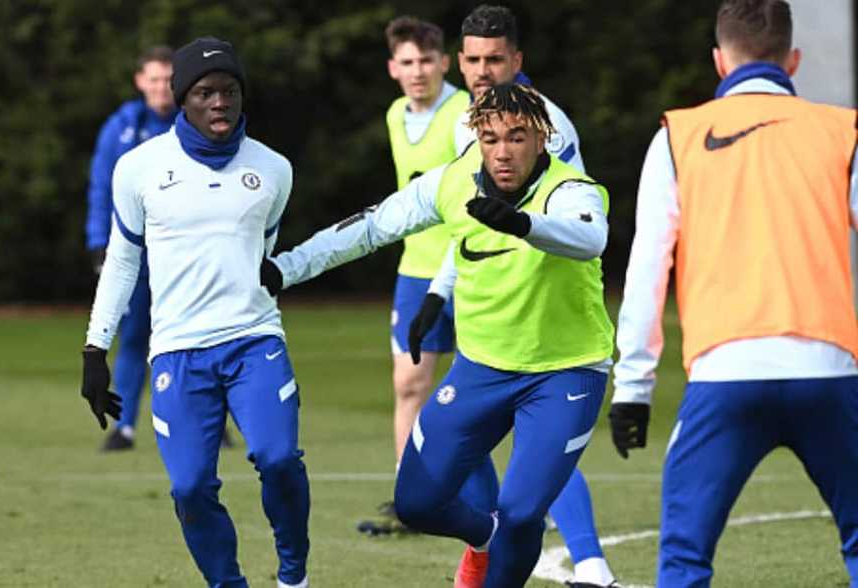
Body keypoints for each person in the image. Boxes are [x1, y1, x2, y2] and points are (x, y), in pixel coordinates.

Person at [262, 82, 614, 588]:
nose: (502, 151)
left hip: (565, 372)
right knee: (417, 504)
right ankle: (484, 537)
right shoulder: (451, 182)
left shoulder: (570, 188)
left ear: (542, 138)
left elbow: (589, 238)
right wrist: (287, 268)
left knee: (520, 514)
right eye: (489, 138)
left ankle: (508, 551)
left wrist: (523, 225)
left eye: (516, 137)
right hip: (481, 369)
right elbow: (370, 227)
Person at [610, 1, 858, 586]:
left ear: (720, 62)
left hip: (725, 373)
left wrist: (634, 386)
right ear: (792, 60)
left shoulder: (678, 136)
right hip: (827, 368)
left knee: (684, 556)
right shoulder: (841, 131)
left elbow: (648, 265)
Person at [81, 37, 310, 588]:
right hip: (179, 352)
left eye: (228, 91)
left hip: (255, 341)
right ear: (181, 99)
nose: (219, 103)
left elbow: (264, 254)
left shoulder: (273, 169)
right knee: (189, 488)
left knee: (278, 458)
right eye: (205, 92)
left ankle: (293, 576)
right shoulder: (137, 169)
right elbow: (121, 263)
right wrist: (95, 349)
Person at [414, 6, 617, 586]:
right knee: (463, 433)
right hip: (484, 298)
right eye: (474, 60)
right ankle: (486, 536)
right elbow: (475, 219)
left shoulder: (549, 125)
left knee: (538, 445)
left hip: (542, 311)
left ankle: (591, 563)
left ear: (517, 61)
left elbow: (567, 219)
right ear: (460, 61)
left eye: (495, 59)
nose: (483, 71)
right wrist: (439, 288)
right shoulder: (464, 121)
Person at [360, 14, 470, 536]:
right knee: (409, 384)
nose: (418, 70)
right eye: (407, 62)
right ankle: (412, 501)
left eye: (427, 60)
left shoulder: (464, 113)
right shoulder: (394, 115)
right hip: (414, 271)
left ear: (444, 62)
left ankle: (515, 501)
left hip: (468, 268)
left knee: (487, 388)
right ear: (392, 68)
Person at [84, 46, 177, 451]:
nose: (160, 87)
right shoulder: (120, 128)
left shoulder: (193, 124)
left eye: (166, 79)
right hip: (133, 253)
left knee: (192, 335)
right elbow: (101, 187)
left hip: (180, 252)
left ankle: (205, 419)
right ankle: (124, 426)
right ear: (140, 81)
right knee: (134, 335)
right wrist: (97, 242)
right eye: (153, 79)